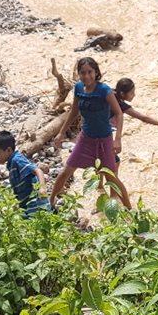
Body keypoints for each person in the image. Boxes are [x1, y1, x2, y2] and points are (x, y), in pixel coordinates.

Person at [50, 58, 131, 208]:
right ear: (78, 74)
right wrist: (61, 133)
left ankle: (130, 211)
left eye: (90, 72)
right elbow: (74, 111)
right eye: (83, 73)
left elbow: (119, 113)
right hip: (86, 139)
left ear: (96, 72)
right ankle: (51, 202)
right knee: (67, 169)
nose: (86, 76)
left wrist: (117, 139)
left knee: (112, 179)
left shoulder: (105, 91)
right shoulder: (79, 88)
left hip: (104, 141)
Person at [109, 77, 158, 175]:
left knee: (101, 161)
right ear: (122, 94)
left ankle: (100, 185)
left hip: (91, 128)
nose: (134, 95)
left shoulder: (108, 92)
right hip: (102, 133)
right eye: (132, 93)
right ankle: (111, 187)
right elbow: (144, 118)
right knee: (115, 162)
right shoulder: (121, 105)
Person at [0, 130, 51, 216]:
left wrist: (42, 188)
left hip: (36, 204)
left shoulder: (17, 160)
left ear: (8, 150)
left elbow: (38, 170)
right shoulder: (11, 164)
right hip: (27, 206)